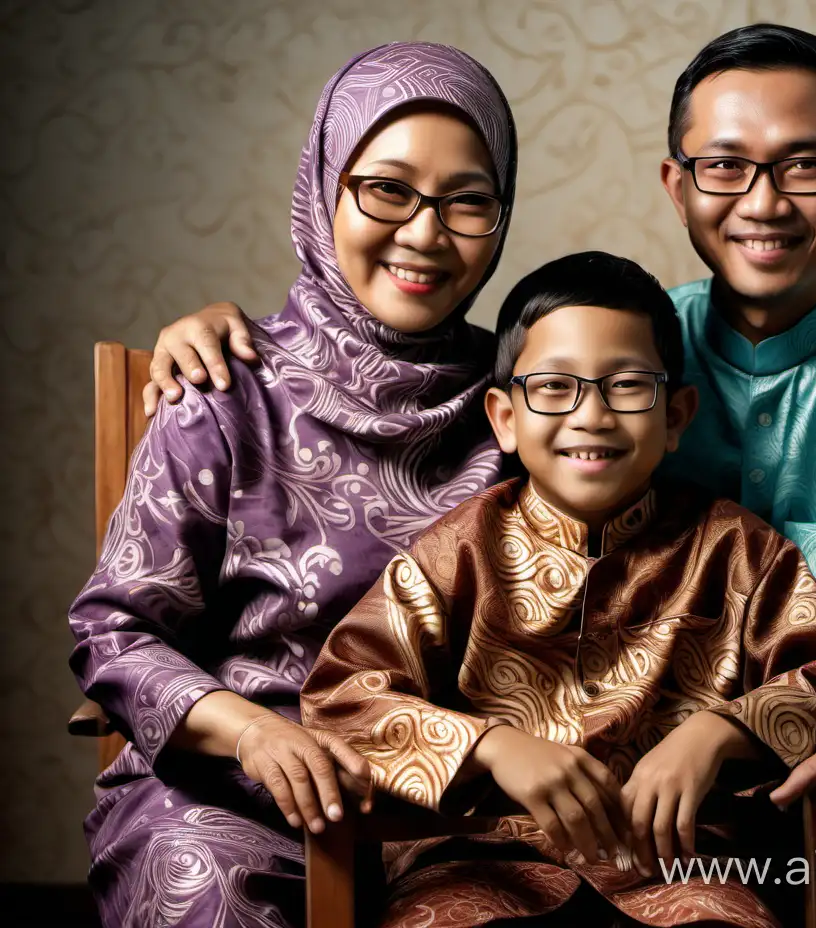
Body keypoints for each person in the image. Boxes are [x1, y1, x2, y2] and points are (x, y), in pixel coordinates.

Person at [140, 22, 816, 928]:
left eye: (803, 165)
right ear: (675, 186)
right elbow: (418, 375)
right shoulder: (618, 345)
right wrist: (242, 338)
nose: (761, 201)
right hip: (567, 827)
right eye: (723, 165)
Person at [68, 42, 519, 927]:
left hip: (460, 813)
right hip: (234, 797)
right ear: (324, 186)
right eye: (387, 189)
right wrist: (249, 729)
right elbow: (113, 631)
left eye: (468, 201)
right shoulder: (223, 388)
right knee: (204, 885)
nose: (426, 233)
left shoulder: (523, 398)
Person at [298, 250, 816, 928]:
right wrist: (489, 747)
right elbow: (339, 701)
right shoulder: (458, 552)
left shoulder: (738, 551)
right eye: (553, 387)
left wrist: (720, 733)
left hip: (686, 874)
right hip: (474, 872)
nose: (591, 415)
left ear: (677, 416)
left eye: (628, 386)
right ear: (505, 417)